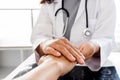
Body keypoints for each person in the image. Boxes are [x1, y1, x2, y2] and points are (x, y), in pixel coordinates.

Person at [31, 0, 120, 79]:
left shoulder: (104, 2)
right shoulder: (49, 2)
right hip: (54, 61)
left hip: (90, 67)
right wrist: (45, 44)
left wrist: (93, 46)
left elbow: (106, 38)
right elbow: (39, 36)